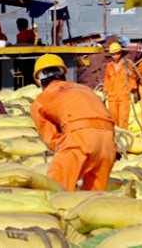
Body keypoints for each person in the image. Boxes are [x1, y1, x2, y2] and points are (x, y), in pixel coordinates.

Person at [30, 54, 116, 191]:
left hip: (79, 137)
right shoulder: (84, 89)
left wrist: (64, 151)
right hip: (108, 140)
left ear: (39, 81)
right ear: (63, 74)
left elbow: (53, 140)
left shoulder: (40, 101)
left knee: (56, 190)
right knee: (95, 198)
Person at [103, 42, 137, 130]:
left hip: (124, 97)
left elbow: (134, 78)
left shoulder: (127, 64)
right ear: (111, 55)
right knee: (113, 120)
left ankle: (123, 140)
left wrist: (133, 89)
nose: (116, 56)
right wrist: (105, 91)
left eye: (117, 53)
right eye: (113, 54)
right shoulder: (109, 66)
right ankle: (116, 140)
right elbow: (107, 80)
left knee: (124, 120)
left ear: (120, 53)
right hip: (112, 97)